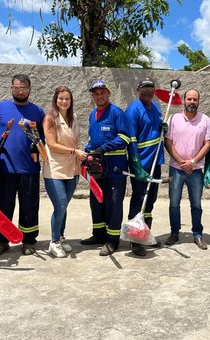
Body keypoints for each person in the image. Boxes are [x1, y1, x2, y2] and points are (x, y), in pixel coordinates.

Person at [0, 74, 45, 257]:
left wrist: (37, 144)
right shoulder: (0, 108)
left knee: (29, 206)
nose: (20, 91)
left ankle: (28, 241)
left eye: (24, 88)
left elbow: (44, 137)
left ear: (30, 89)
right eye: (17, 88)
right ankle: (1, 241)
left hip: (29, 168)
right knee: (4, 206)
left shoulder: (38, 111)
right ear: (11, 88)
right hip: (5, 167)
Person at [80, 80, 130, 256]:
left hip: (115, 167)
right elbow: (92, 139)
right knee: (96, 201)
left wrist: (103, 148)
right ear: (93, 96)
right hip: (97, 168)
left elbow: (124, 138)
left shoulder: (116, 113)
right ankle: (99, 234)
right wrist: (87, 153)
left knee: (113, 203)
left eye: (102, 92)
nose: (99, 96)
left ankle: (112, 240)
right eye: (95, 93)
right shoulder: (92, 114)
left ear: (108, 93)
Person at [42, 86, 87, 257]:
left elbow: (74, 141)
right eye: (61, 98)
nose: (64, 101)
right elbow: (51, 144)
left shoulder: (73, 117)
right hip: (55, 169)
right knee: (60, 205)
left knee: (65, 206)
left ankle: (60, 237)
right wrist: (74, 152)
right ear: (55, 99)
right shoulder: (49, 118)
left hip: (72, 168)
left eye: (67, 98)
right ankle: (53, 242)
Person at [164, 89, 210, 249]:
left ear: (198, 101)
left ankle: (197, 234)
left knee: (196, 204)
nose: (192, 102)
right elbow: (168, 142)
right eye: (189, 99)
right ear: (183, 100)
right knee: (174, 203)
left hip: (196, 170)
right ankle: (174, 233)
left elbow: (208, 144)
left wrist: (193, 161)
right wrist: (181, 162)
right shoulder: (173, 118)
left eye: (195, 99)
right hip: (176, 169)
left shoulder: (205, 120)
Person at [124, 77, 165, 257]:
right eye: (144, 88)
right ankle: (135, 241)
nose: (148, 91)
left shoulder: (155, 107)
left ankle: (145, 234)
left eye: (150, 88)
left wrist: (164, 127)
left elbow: (156, 130)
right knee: (139, 200)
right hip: (140, 164)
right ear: (138, 90)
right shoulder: (132, 111)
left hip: (155, 162)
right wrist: (138, 168)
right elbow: (131, 142)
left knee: (151, 201)